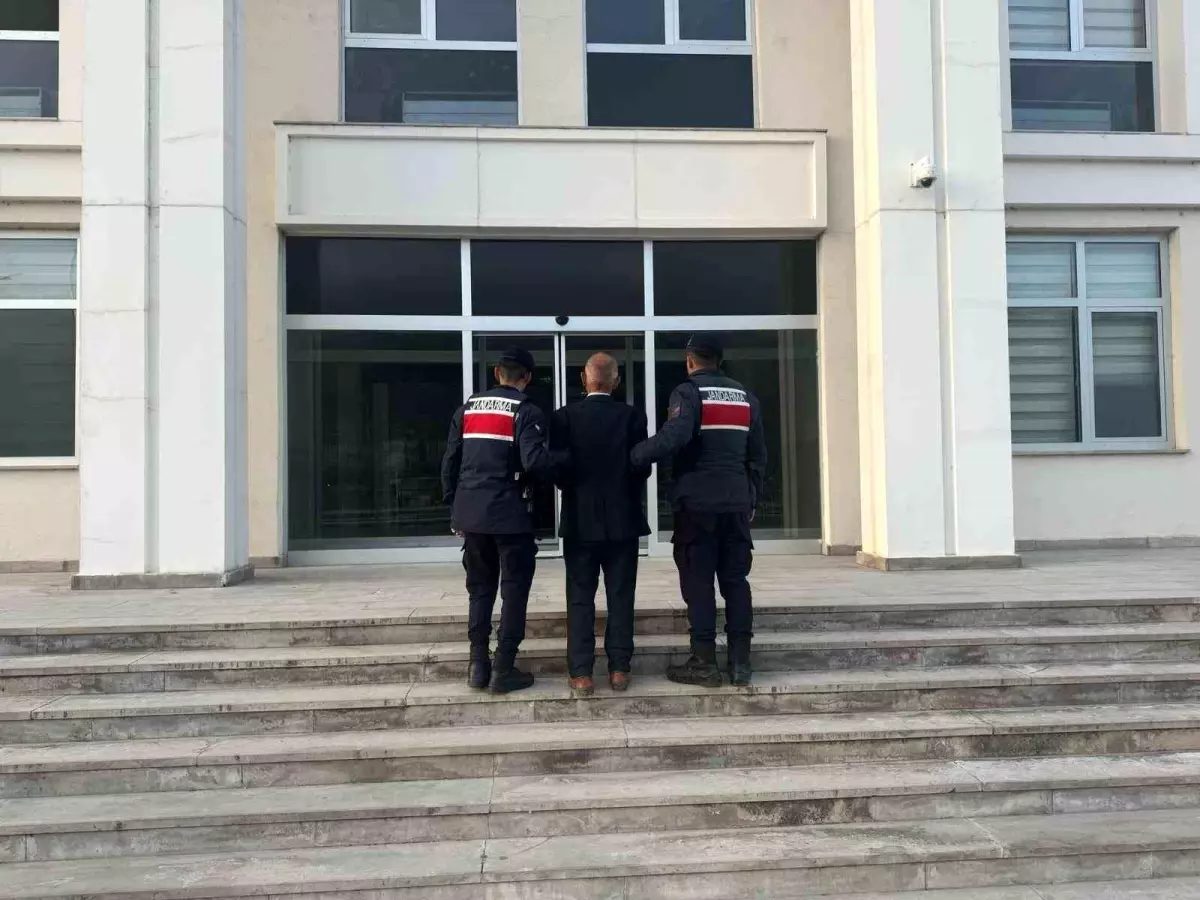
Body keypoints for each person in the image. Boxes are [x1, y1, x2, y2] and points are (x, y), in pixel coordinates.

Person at [630, 333, 766, 687]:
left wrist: (633, 455)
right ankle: (740, 662)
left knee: (699, 581)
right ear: (720, 360)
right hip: (736, 504)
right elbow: (758, 455)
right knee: (736, 581)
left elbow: (674, 437)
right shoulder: (746, 397)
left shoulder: (688, 392)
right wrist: (751, 497)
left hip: (698, 505)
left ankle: (703, 661)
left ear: (689, 360)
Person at [441, 347, 555, 694]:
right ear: (527, 378)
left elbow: (450, 462)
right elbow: (534, 462)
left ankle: (477, 665)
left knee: (480, 590)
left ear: (496, 374)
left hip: (472, 516)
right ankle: (503, 668)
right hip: (510, 516)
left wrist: (456, 506)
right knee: (514, 591)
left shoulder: (468, 409)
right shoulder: (526, 411)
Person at [551, 352, 652, 697]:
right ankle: (619, 668)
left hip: (580, 520)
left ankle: (581, 672)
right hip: (623, 519)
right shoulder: (632, 417)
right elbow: (641, 466)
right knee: (621, 594)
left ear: (584, 379)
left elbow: (559, 469)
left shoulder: (564, 418)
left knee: (580, 596)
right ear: (616, 381)